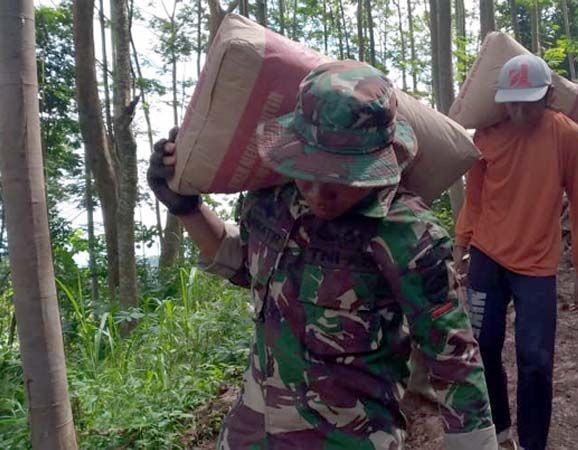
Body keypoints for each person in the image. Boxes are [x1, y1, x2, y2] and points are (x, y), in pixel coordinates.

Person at [147, 60, 498, 450]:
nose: (318, 194)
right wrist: (187, 209)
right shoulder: (273, 198)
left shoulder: (407, 233)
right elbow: (247, 265)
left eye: (339, 178)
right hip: (253, 431)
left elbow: (453, 357)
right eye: (308, 171)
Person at [453, 54, 578, 450]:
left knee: (536, 360)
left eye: (527, 102)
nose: (517, 110)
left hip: (536, 265)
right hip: (486, 256)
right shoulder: (486, 136)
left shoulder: (566, 136)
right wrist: (460, 245)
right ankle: (501, 434)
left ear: (547, 97)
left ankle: (533, 443)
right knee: (484, 347)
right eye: (511, 102)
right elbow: (474, 199)